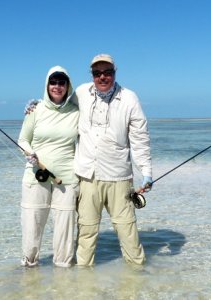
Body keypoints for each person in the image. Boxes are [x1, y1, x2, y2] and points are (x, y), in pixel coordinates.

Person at [73, 54, 152, 266]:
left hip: (119, 177)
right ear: (92, 75)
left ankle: (138, 282)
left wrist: (146, 172)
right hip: (87, 176)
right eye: (97, 73)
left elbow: (140, 138)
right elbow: (59, 104)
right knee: (86, 232)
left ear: (114, 73)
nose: (102, 77)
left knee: (128, 231)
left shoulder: (129, 98)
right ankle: (81, 285)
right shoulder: (80, 93)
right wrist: (37, 108)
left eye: (107, 72)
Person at [18, 66, 79, 268]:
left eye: (62, 82)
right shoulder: (35, 110)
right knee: (32, 226)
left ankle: (63, 274)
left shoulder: (77, 111)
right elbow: (23, 140)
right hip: (36, 175)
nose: (57, 86)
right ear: (47, 84)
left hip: (67, 178)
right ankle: (29, 269)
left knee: (65, 229)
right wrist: (29, 153)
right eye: (53, 82)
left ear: (68, 86)